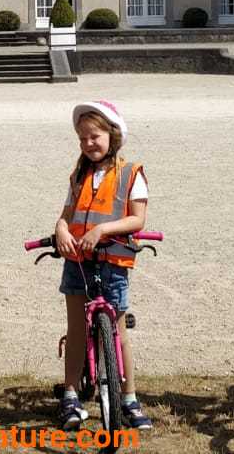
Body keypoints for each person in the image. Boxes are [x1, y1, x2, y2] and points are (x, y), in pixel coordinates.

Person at [52, 100, 153, 431]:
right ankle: (70, 395)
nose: (88, 143)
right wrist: (61, 230)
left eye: (94, 136)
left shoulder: (130, 173)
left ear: (112, 135)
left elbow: (137, 219)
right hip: (78, 261)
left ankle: (129, 398)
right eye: (82, 138)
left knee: (119, 332)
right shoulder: (78, 174)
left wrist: (102, 230)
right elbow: (66, 214)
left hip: (112, 260)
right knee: (77, 331)